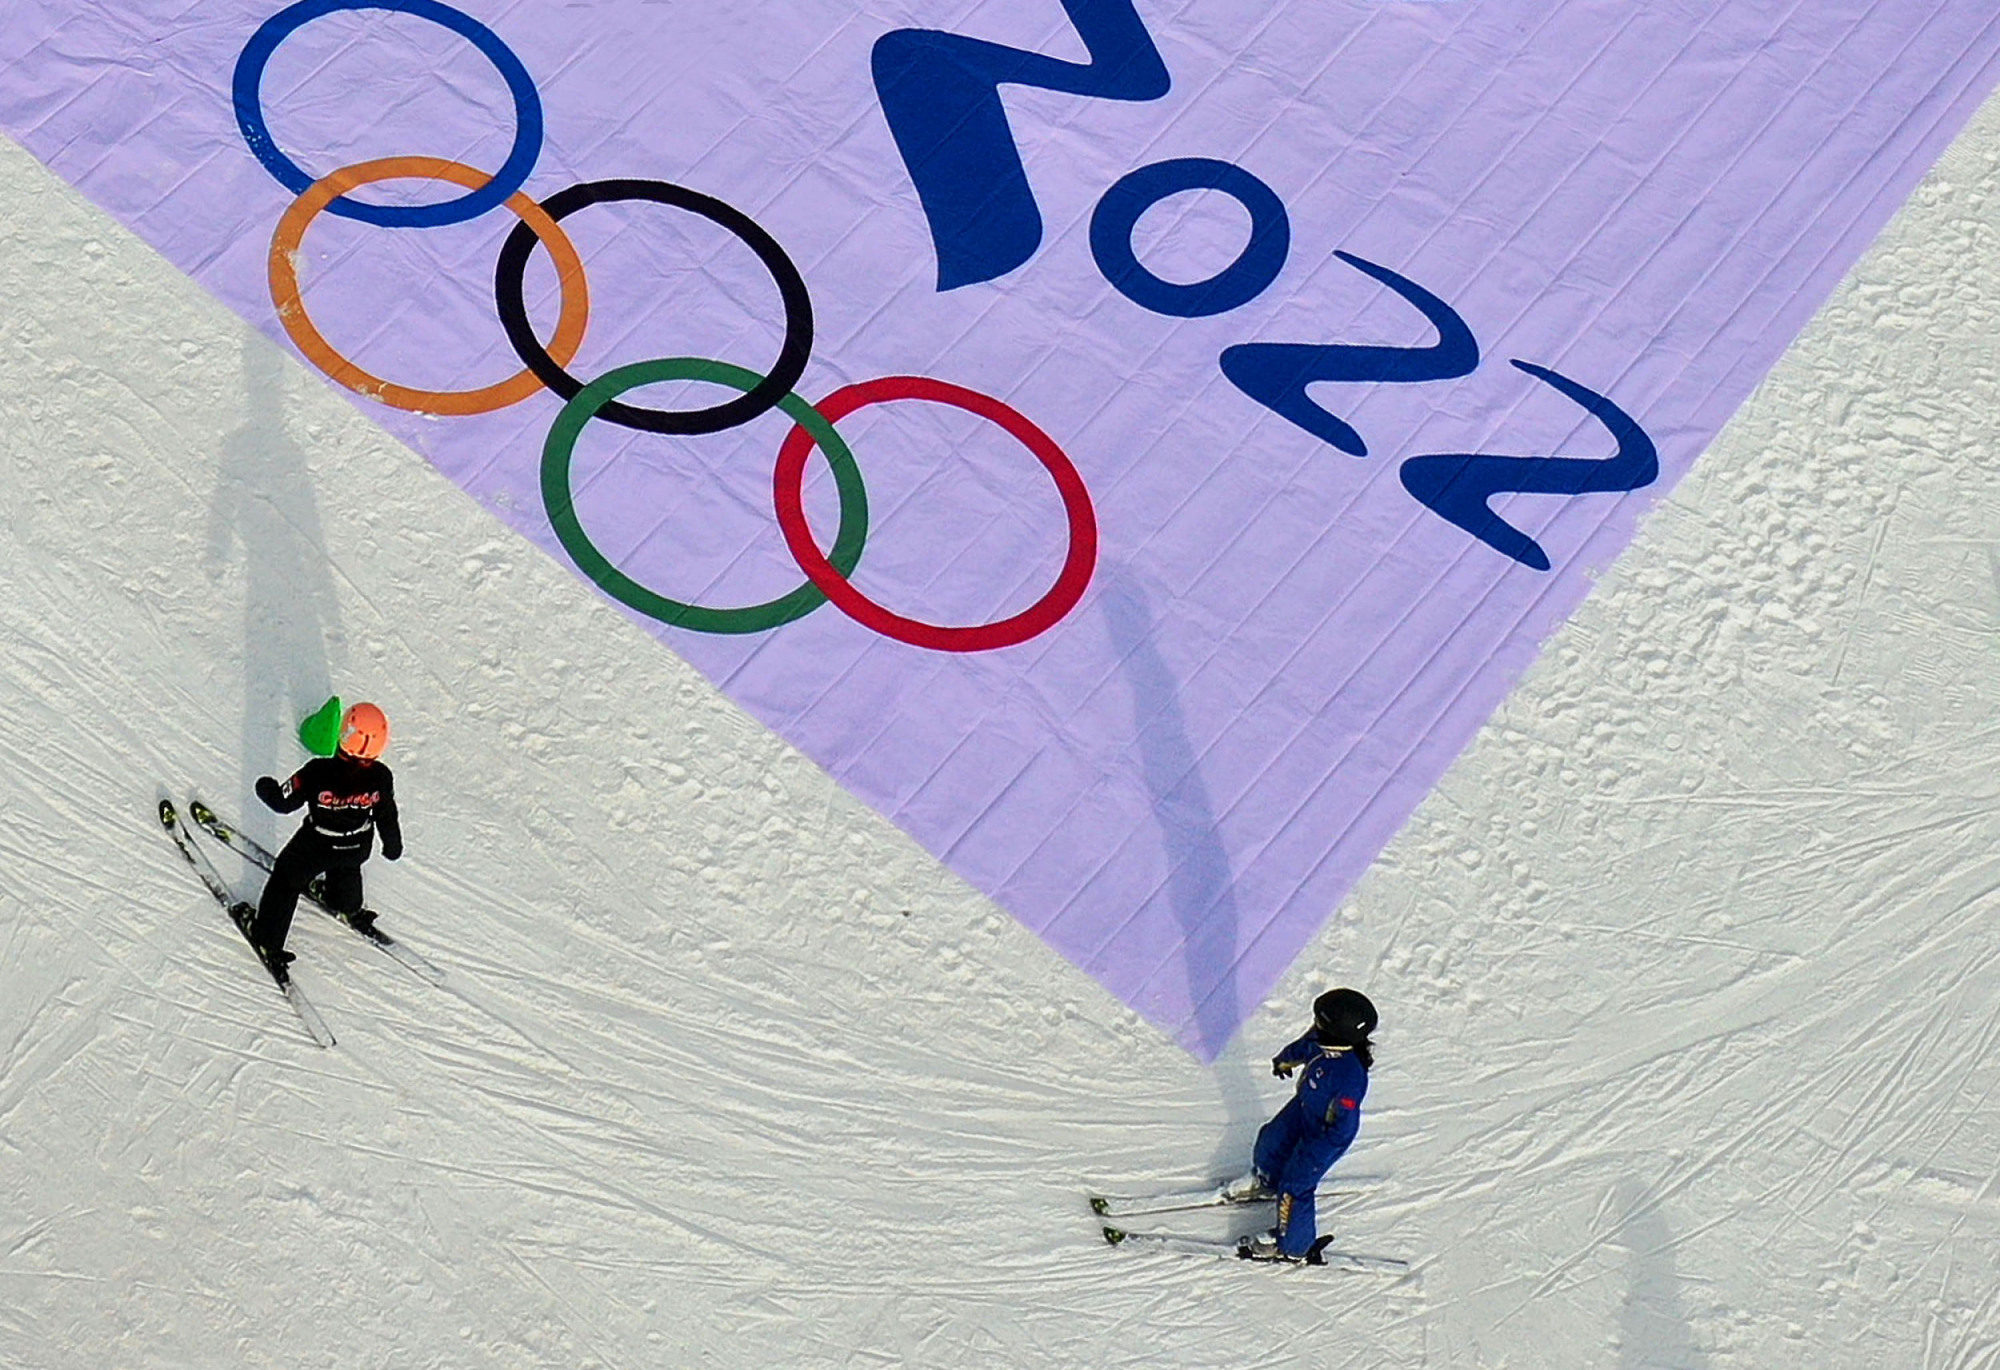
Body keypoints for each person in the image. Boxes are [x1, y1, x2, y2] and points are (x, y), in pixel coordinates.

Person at [245, 702, 402, 968]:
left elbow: (283, 802)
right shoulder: (381, 777)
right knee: (347, 870)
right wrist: (392, 844)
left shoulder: (317, 772)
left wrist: (265, 787)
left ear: (343, 733)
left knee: (286, 880)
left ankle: (266, 938)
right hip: (357, 844)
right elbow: (386, 814)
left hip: (316, 845)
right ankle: (345, 904)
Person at [1242, 987, 1376, 1263]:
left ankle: (1293, 1246)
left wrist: (1316, 1153)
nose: (1314, 1024)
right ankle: (1268, 1182)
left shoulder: (1350, 1077)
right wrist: (1284, 1061)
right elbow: (1306, 1045)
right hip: (1304, 1105)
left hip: (1326, 1135)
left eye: (1320, 1021)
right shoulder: (1326, 1039)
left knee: (1296, 1185)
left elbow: (1343, 1125)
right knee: (1271, 1141)